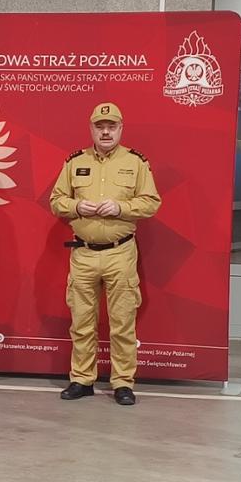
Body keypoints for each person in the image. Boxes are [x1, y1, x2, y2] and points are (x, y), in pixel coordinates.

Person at [48, 101, 162, 406]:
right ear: (92, 129)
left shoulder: (136, 162)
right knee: (82, 321)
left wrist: (122, 207)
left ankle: (123, 382)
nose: (106, 131)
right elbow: (56, 200)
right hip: (83, 254)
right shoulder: (75, 161)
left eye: (112, 126)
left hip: (120, 254)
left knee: (122, 322)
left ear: (121, 129)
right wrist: (75, 206)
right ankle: (81, 379)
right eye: (100, 126)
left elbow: (151, 202)